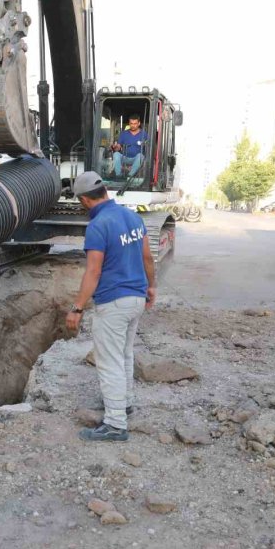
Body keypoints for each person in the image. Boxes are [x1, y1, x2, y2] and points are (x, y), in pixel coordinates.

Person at [66, 171, 157, 442]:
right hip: (136, 298)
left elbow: (93, 272)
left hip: (114, 302)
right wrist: (151, 286)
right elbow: (148, 257)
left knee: (110, 362)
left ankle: (116, 424)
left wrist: (77, 308)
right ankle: (124, 403)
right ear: (104, 191)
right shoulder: (132, 216)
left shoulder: (98, 225)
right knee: (125, 354)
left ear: (84, 200)